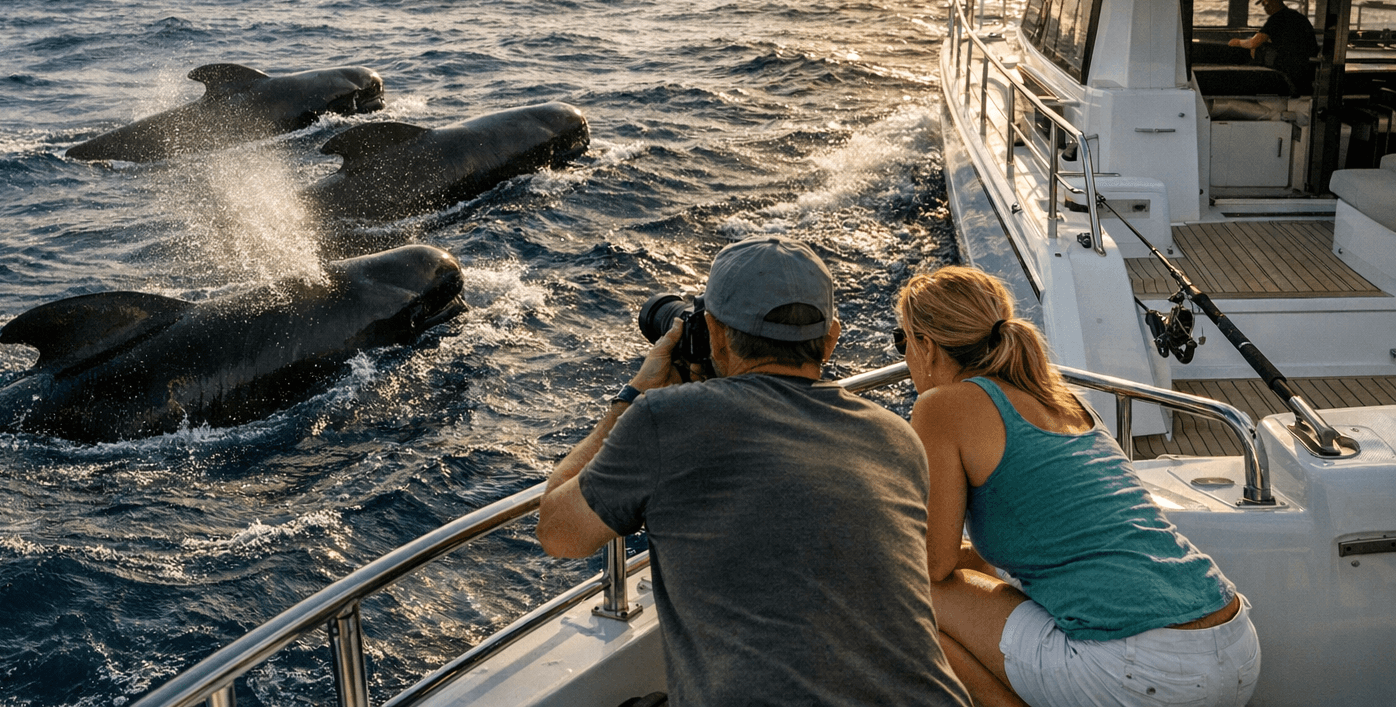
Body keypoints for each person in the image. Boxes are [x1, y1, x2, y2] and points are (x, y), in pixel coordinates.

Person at [536, 235, 971, 707]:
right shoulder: (895, 437)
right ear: (831, 340)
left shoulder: (664, 420)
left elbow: (559, 532)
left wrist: (636, 393)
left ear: (714, 334)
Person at [896, 266, 1261, 707]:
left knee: (911, 590)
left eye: (903, 341)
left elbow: (934, 566)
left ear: (927, 345)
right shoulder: (1061, 398)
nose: (905, 355)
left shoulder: (940, 407)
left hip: (1143, 671)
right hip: (1234, 644)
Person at [1229, 0, 1319, 95]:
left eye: (1264, 5)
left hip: (1288, 71)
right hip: (1307, 70)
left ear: (1271, 2)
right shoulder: (1298, 17)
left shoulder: (1276, 19)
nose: (1265, 9)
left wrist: (1237, 42)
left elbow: (1253, 42)